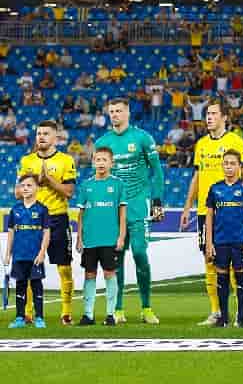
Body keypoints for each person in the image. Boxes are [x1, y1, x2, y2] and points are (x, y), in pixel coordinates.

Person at [181, 98, 243, 326]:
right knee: (210, 259)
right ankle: (217, 312)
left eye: (213, 114)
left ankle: (239, 313)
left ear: (224, 117)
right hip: (206, 211)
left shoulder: (235, 141)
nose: (209, 117)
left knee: (235, 264)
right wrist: (187, 206)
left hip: (231, 211)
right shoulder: (201, 144)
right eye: (207, 114)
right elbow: (197, 176)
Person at [95, 98, 164, 324]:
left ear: (128, 113)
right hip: (114, 210)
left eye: (118, 111)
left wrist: (157, 201)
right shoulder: (102, 142)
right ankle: (118, 309)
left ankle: (146, 308)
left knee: (140, 253)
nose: (114, 114)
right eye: (111, 111)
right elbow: (99, 177)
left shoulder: (142, 138)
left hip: (138, 205)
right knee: (116, 258)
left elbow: (157, 171)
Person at [17, 119, 78, 325]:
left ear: (55, 138)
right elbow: (17, 193)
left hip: (58, 219)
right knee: (29, 267)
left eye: (45, 133)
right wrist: (33, 182)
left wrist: (49, 180)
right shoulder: (27, 161)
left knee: (64, 267)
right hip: (33, 220)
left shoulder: (65, 160)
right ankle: (28, 312)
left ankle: (66, 312)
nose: (41, 137)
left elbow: (69, 192)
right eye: (38, 133)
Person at [74, 147, 126, 326]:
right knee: (89, 274)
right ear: (93, 162)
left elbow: (122, 214)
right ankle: (88, 315)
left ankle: (110, 314)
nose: (101, 163)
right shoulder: (86, 185)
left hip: (110, 238)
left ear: (112, 163)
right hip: (90, 239)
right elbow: (81, 214)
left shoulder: (118, 184)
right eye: (98, 160)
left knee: (109, 273)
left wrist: (121, 236)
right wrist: (79, 237)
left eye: (105, 160)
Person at [204, 150, 243, 327]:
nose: (229, 167)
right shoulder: (215, 189)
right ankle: (224, 317)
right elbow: (209, 217)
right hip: (220, 241)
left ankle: (241, 317)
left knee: (241, 277)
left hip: (240, 241)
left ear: (239, 166)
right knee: (222, 278)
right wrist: (209, 242)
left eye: (232, 163)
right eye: (226, 163)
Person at [5, 175, 50, 329]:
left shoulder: (42, 209)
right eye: (23, 185)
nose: (25, 188)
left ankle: (39, 317)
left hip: (35, 256)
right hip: (19, 255)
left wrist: (42, 252)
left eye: (29, 185)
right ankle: (19, 317)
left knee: (37, 285)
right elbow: (11, 233)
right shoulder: (15, 210)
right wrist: (7, 254)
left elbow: (46, 233)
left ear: (37, 188)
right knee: (20, 285)